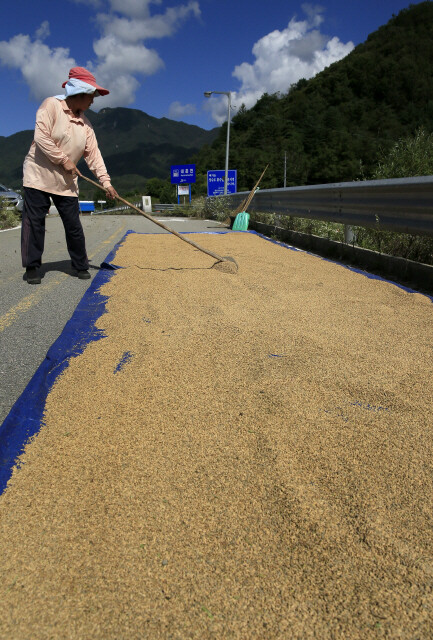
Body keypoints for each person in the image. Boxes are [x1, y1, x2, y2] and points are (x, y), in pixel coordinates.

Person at [21, 66, 119, 285]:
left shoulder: (86, 125)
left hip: (66, 182)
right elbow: (41, 136)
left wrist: (106, 183)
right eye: (92, 96)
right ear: (80, 94)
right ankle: (32, 266)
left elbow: (94, 156)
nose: (93, 100)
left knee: (73, 223)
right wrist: (64, 160)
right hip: (38, 174)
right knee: (34, 222)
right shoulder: (52, 105)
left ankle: (80, 265)